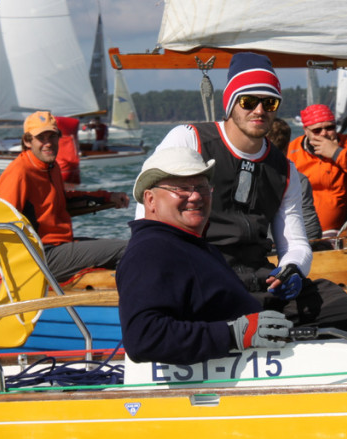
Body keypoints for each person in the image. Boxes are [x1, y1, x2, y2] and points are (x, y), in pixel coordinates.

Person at [140, 51, 347, 334]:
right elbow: (146, 218)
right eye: (248, 101)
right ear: (231, 103)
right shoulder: (189, 139)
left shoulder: (285, 170)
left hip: (258, 281)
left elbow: (295, 244)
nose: (259, 110)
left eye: (269, 102)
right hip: (201, 278)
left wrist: (293, 269)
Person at [118, 147, 292, 364]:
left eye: (202, 187)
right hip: (229, 376)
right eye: (181, 188)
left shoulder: (187, 245)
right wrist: (232, 335)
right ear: (150, 200)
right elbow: (143, 339)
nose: (195, 196)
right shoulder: (151, 251)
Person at [0, 110, 130, 284]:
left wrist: (107, 197)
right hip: (38, 256)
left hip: (58, 246)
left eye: (52, 137)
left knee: (126, 251)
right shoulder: (19, 172)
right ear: (28, 141)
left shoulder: (51, 166)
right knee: (128, 249)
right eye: (41, 138)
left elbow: (63, 200)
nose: (48, 143)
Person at [287, 104, 347, 235]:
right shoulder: (292, 150)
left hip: (337, 232)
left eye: (330, 128)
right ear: (306, 131)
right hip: (299, 232)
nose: (324, 134)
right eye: (317, 130)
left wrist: (336, 153)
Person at [267, 118, 321, 242]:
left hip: (260, 249)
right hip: (293, 248)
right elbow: (310, 228)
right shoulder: (298, 179)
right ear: (287, 146)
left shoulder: (243, 175)